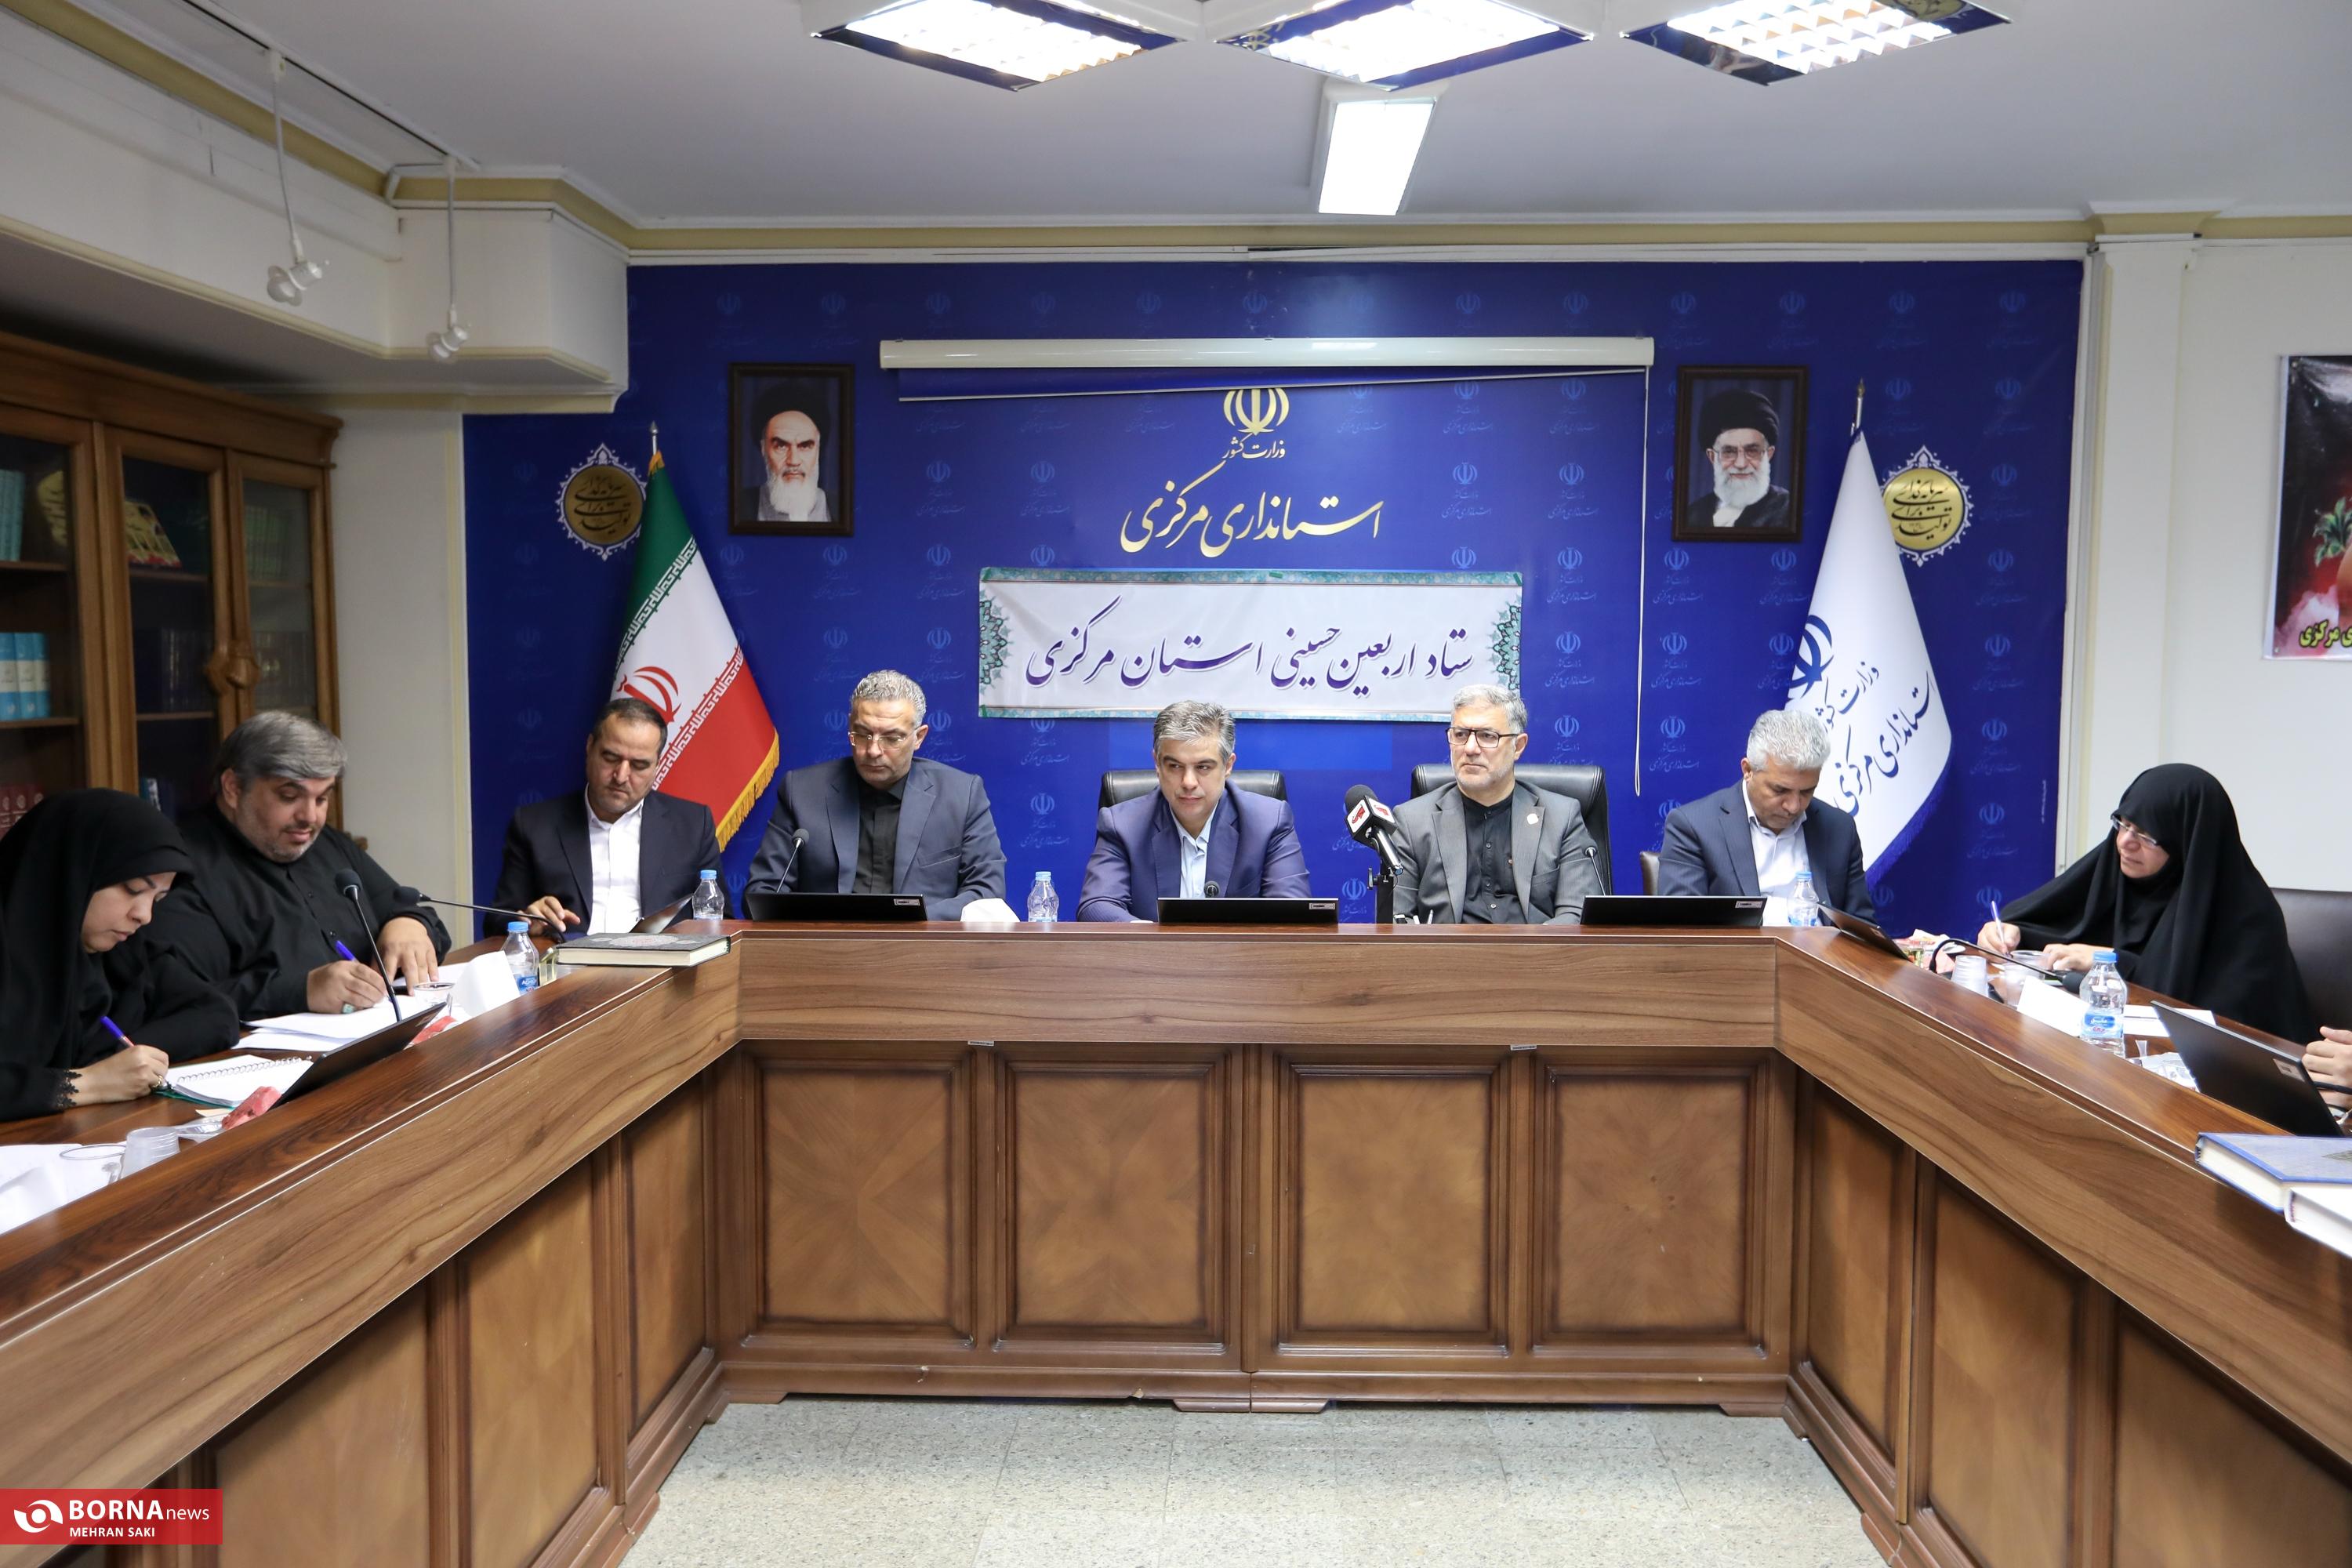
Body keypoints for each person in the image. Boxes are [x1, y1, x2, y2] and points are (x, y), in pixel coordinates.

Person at [1976, 764, 2319, 1042]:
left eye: (2146, 835)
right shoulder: (2115, 873)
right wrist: (2011, 933)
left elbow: (2214, 1023)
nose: (2125, 843)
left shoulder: (2248, 918)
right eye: (2123, 824)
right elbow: (2058, 925)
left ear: (2186, 845)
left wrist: (2112, 963)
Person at [147, 712, 451, 1019]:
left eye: (322, 799)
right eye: (290, 796)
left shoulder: (325, 842)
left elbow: (405, 907)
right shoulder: (180, 869)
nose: (310, 817)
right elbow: (177, 997)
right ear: (233, 788)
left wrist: (410, 924)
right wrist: (301, 991)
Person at [0, 790, 238, 1119]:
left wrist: (119, 1059)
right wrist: (88, 1083)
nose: (144, 915)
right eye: (133, 890)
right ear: (73, 872)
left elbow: (217, 1014)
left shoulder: (121, 953)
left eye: (158, 899)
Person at [745, 670, 1004, 918]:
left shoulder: (962, 795)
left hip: (923, 943)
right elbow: (763, 892)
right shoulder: (801, 791)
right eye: (863, 734)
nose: (873, 750)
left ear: (919, 737)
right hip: (827, 942)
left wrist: (908, 919)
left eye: (892, 738)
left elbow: (986, 895)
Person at [491, 697, 724, 935]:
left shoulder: (693, 825)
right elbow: (497, 922)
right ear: (590, 747)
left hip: (661, 957)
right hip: (570, 957)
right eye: (611, 758)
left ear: (657, 765)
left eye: (639, 765)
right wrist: (527, 921)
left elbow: (721, 920)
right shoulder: (534, 825)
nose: (621, 776)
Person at [1077, 700, 1310, 921]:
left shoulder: (1268, 822)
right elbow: (1097, 905)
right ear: (1157, 764)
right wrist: (1150, 938)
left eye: (1203, 767)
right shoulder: (1122, 825)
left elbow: (1292, 912)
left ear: (1228, 766)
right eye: (1175, 766)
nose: (1188, 782)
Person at [1392, 684, 1603, 925]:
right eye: (1460, 735)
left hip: (1536, 948)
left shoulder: (1562, 818)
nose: (1470, 748)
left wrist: (1526, 947)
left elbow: (1577, 915)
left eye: (1487, 736)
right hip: (1447, 949)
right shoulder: (1412, 823)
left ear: (1518, 746)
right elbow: (1396, 921)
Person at [1657, 706, 1874, 923]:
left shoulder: (1839, 828)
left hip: (1822, 944)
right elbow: (1683, 928)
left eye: (1807, 792)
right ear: (1748, 770)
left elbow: (1861, 926)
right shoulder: (1694, 826)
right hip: (1741, 945)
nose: (1794, 807)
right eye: (1780, 790)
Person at [1682, 387, 1791, 533]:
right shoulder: (1692, 514)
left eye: (1752, 451)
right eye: (1729, 452)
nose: (1741, 464)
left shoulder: (1788, 509)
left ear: (1769, 454)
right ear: (1712, 457)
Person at [739, 389, 831, 524]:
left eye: (805, 446)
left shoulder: (842, 508)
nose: (794, 461)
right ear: (764, 449)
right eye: (781, 446)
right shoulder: (738, 506)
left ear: (818, 450)